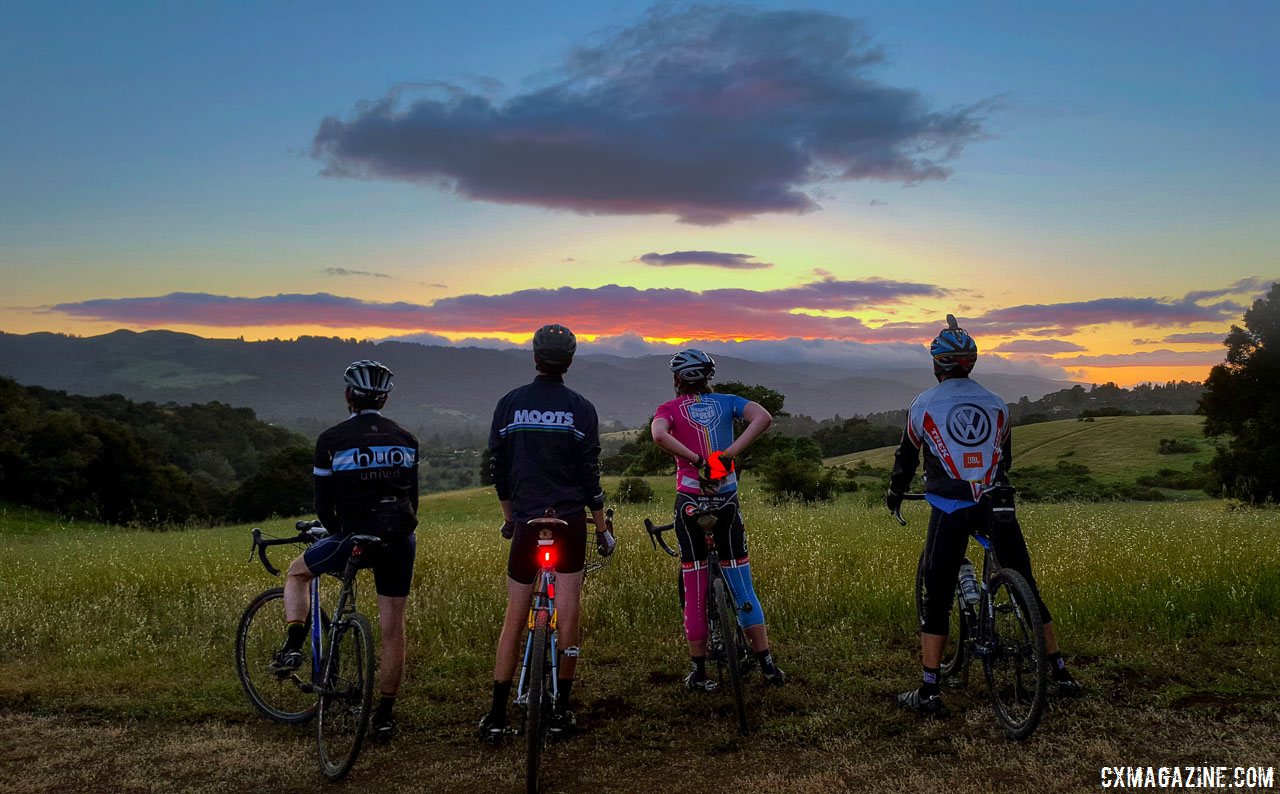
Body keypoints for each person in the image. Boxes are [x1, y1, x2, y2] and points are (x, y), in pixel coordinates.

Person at [887, 315, 1083, 715]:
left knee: (937, 593)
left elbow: (907, 458)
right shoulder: (997, 404)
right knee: (1025, 583)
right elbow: (1004, 459)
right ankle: (1060, 672)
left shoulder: (923, 404)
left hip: (949, 506)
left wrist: (895, 492)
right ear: (971, 363)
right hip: (997, 502)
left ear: (937, 365)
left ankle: (929, 690)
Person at [478, 324, 615, 743]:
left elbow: (497, 468)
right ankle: (560, 713)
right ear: (569, 362)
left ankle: (498, 716)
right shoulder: (581, 408)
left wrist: (510, 516)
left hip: (525, 519)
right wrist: (601, 526)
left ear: (535, 358)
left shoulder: (510, 404)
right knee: (568, 610)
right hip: (570, 519)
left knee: (514, 618)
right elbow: (589, 474)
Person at [271, 359, 420, 743]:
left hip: (353, 538)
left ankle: (291, 645)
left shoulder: (331, 440)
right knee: (392, 628)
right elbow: (412, 501)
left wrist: (335, 534)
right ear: (384, 398)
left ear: (348, 395)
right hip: (399, 539)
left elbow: (324, 506)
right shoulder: (406, 439)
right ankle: (384, 715)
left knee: (297, 572)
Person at [649, 348, 786, 691]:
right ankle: (766, 663)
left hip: (690, 504)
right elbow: (763, 418)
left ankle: (698, 671)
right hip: (726, 502)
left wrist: (696, 460)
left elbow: (659, 435)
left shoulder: (669, 408)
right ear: (708, 377)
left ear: (678, 379)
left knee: (694, 586)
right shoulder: (728, 401)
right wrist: (727, 455)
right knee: (741, 581)